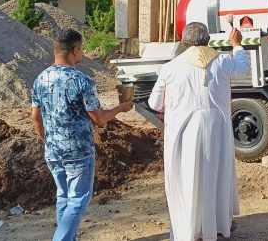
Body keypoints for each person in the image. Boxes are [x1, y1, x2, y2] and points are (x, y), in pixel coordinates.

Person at [148, 22, 250, 241]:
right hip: (217, 132)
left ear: (184, 42)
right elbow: (243, 69)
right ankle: (218, 225)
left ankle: (189, 230)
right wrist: (237, 45)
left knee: (186, 179)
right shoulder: (222, 61)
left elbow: (155, 103)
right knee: (216, 176)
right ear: (208, 41)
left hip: (183, 134)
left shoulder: (171, 67)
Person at [30, 29, 133, 241]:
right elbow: (99, 118)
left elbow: (35, 117)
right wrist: (120, 108)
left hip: (53, 151)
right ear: (75, 50)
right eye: (82, 49)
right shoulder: (83, 81)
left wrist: (46, 140)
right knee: (77, 201)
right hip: (78, 151)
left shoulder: (40, 79)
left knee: (63, 197)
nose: (82, 53)